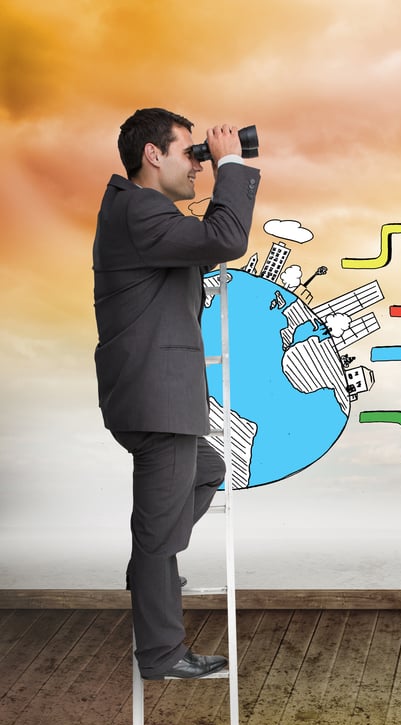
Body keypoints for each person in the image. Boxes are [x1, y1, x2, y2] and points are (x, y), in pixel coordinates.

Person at [92, 108, 260, 679]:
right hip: (157, 400)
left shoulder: (138, 213)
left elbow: (206, 247)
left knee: (208, 469)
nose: (197, 164)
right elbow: (227, 238)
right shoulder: (140, 207)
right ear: (153, 155)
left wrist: (216, 175)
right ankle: (162, 653)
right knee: (158, 532)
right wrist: (230, 163)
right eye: (190, 152)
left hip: (153, 394)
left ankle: (151, 569)